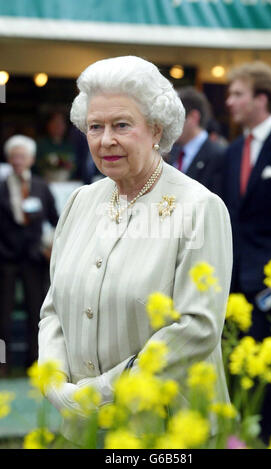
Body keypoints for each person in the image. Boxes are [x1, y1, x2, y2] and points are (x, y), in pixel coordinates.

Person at [38, 56, 232, 442]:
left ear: (156, 129)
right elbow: (53, 310)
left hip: (166, 430)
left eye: (121, 125)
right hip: (82, 429)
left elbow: (197, 328)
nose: (105, 139)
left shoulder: (199, 207)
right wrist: (58, 385)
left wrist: (100, 395)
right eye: (95, 126)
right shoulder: (80, 201)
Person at [222, 61, 271, 441]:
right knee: (235, 364)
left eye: (237, 93)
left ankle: (267, 438)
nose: (229, 101)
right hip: (232, 277)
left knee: (267, 366)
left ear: (262, 99)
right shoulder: (233, 150)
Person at [0, 135, 59, 374]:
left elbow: (56, 220)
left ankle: (35, 362)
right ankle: (2, 364)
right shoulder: (2, 186)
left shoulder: (41, 186)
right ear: (8, 159)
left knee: (38, 311)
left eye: (22, 156)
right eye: (14, 156)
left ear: (31, 159)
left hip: (34, 259)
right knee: (2, 314)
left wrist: (49, 246)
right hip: (5, 258)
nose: (18, 160)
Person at [169, 86, 226, 197]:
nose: (169, 124)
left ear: (193, 117)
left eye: (175, 118)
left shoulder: (218, 155)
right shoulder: (173, 152)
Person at [35, 111, 76, 182]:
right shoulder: (41, 145)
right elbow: (36, 165)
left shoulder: (70, 146)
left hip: (67, 184)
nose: (58, 126)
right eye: (55, 123)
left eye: (61, 123)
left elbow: (75, 166)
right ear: (48, 125)